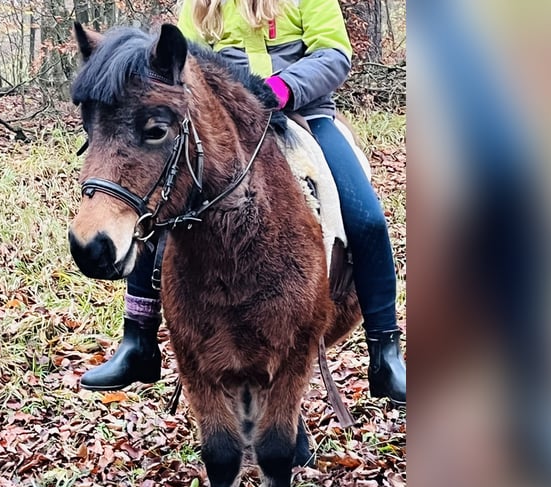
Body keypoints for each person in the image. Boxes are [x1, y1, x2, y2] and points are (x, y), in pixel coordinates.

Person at [79, 0, 406, 405]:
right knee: (155, 208)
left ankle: (384, 351)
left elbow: (333, 53)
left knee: (367, 218)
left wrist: (282, 89)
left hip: (306, 113)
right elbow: (182, 67)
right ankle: (138, 339)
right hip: (227, 122)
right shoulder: (198, 6)